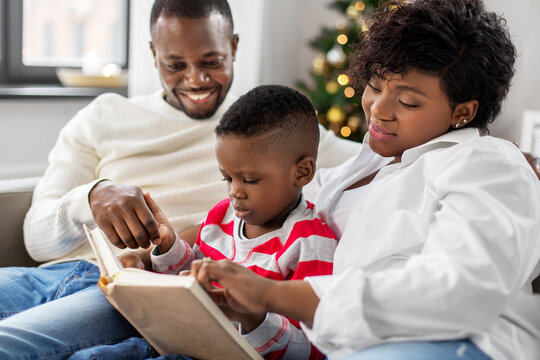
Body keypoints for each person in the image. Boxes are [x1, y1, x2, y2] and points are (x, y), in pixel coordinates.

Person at [0, 1, 360, 359]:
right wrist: (92, 197)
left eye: (212, 62)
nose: (196, 79)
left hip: (134, 294)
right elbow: (35, 240)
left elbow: (385, 153)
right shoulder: (101, 116)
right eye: (175, 65)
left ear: (233, 47)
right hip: (58, 273)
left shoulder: (273, 134)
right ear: (153, 53)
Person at [188, 1, 540, 359]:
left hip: (460, 345)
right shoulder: (360, 166)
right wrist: (162, 240)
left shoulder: (487, 163)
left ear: (463, 111)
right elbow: (262, 196)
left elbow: (460, 291)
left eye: (407, 102)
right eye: (374, 86)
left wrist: (270, 295)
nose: (378, 110)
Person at [70, 84, 337, 360]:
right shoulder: (222, 217)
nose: (235, 191)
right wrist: (167, 245)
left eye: (250, 180)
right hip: (176, 340)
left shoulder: (310, 243)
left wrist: (253, 319)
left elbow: (310, 350)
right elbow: (189, 280)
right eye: (228, 178)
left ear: (302, 172)